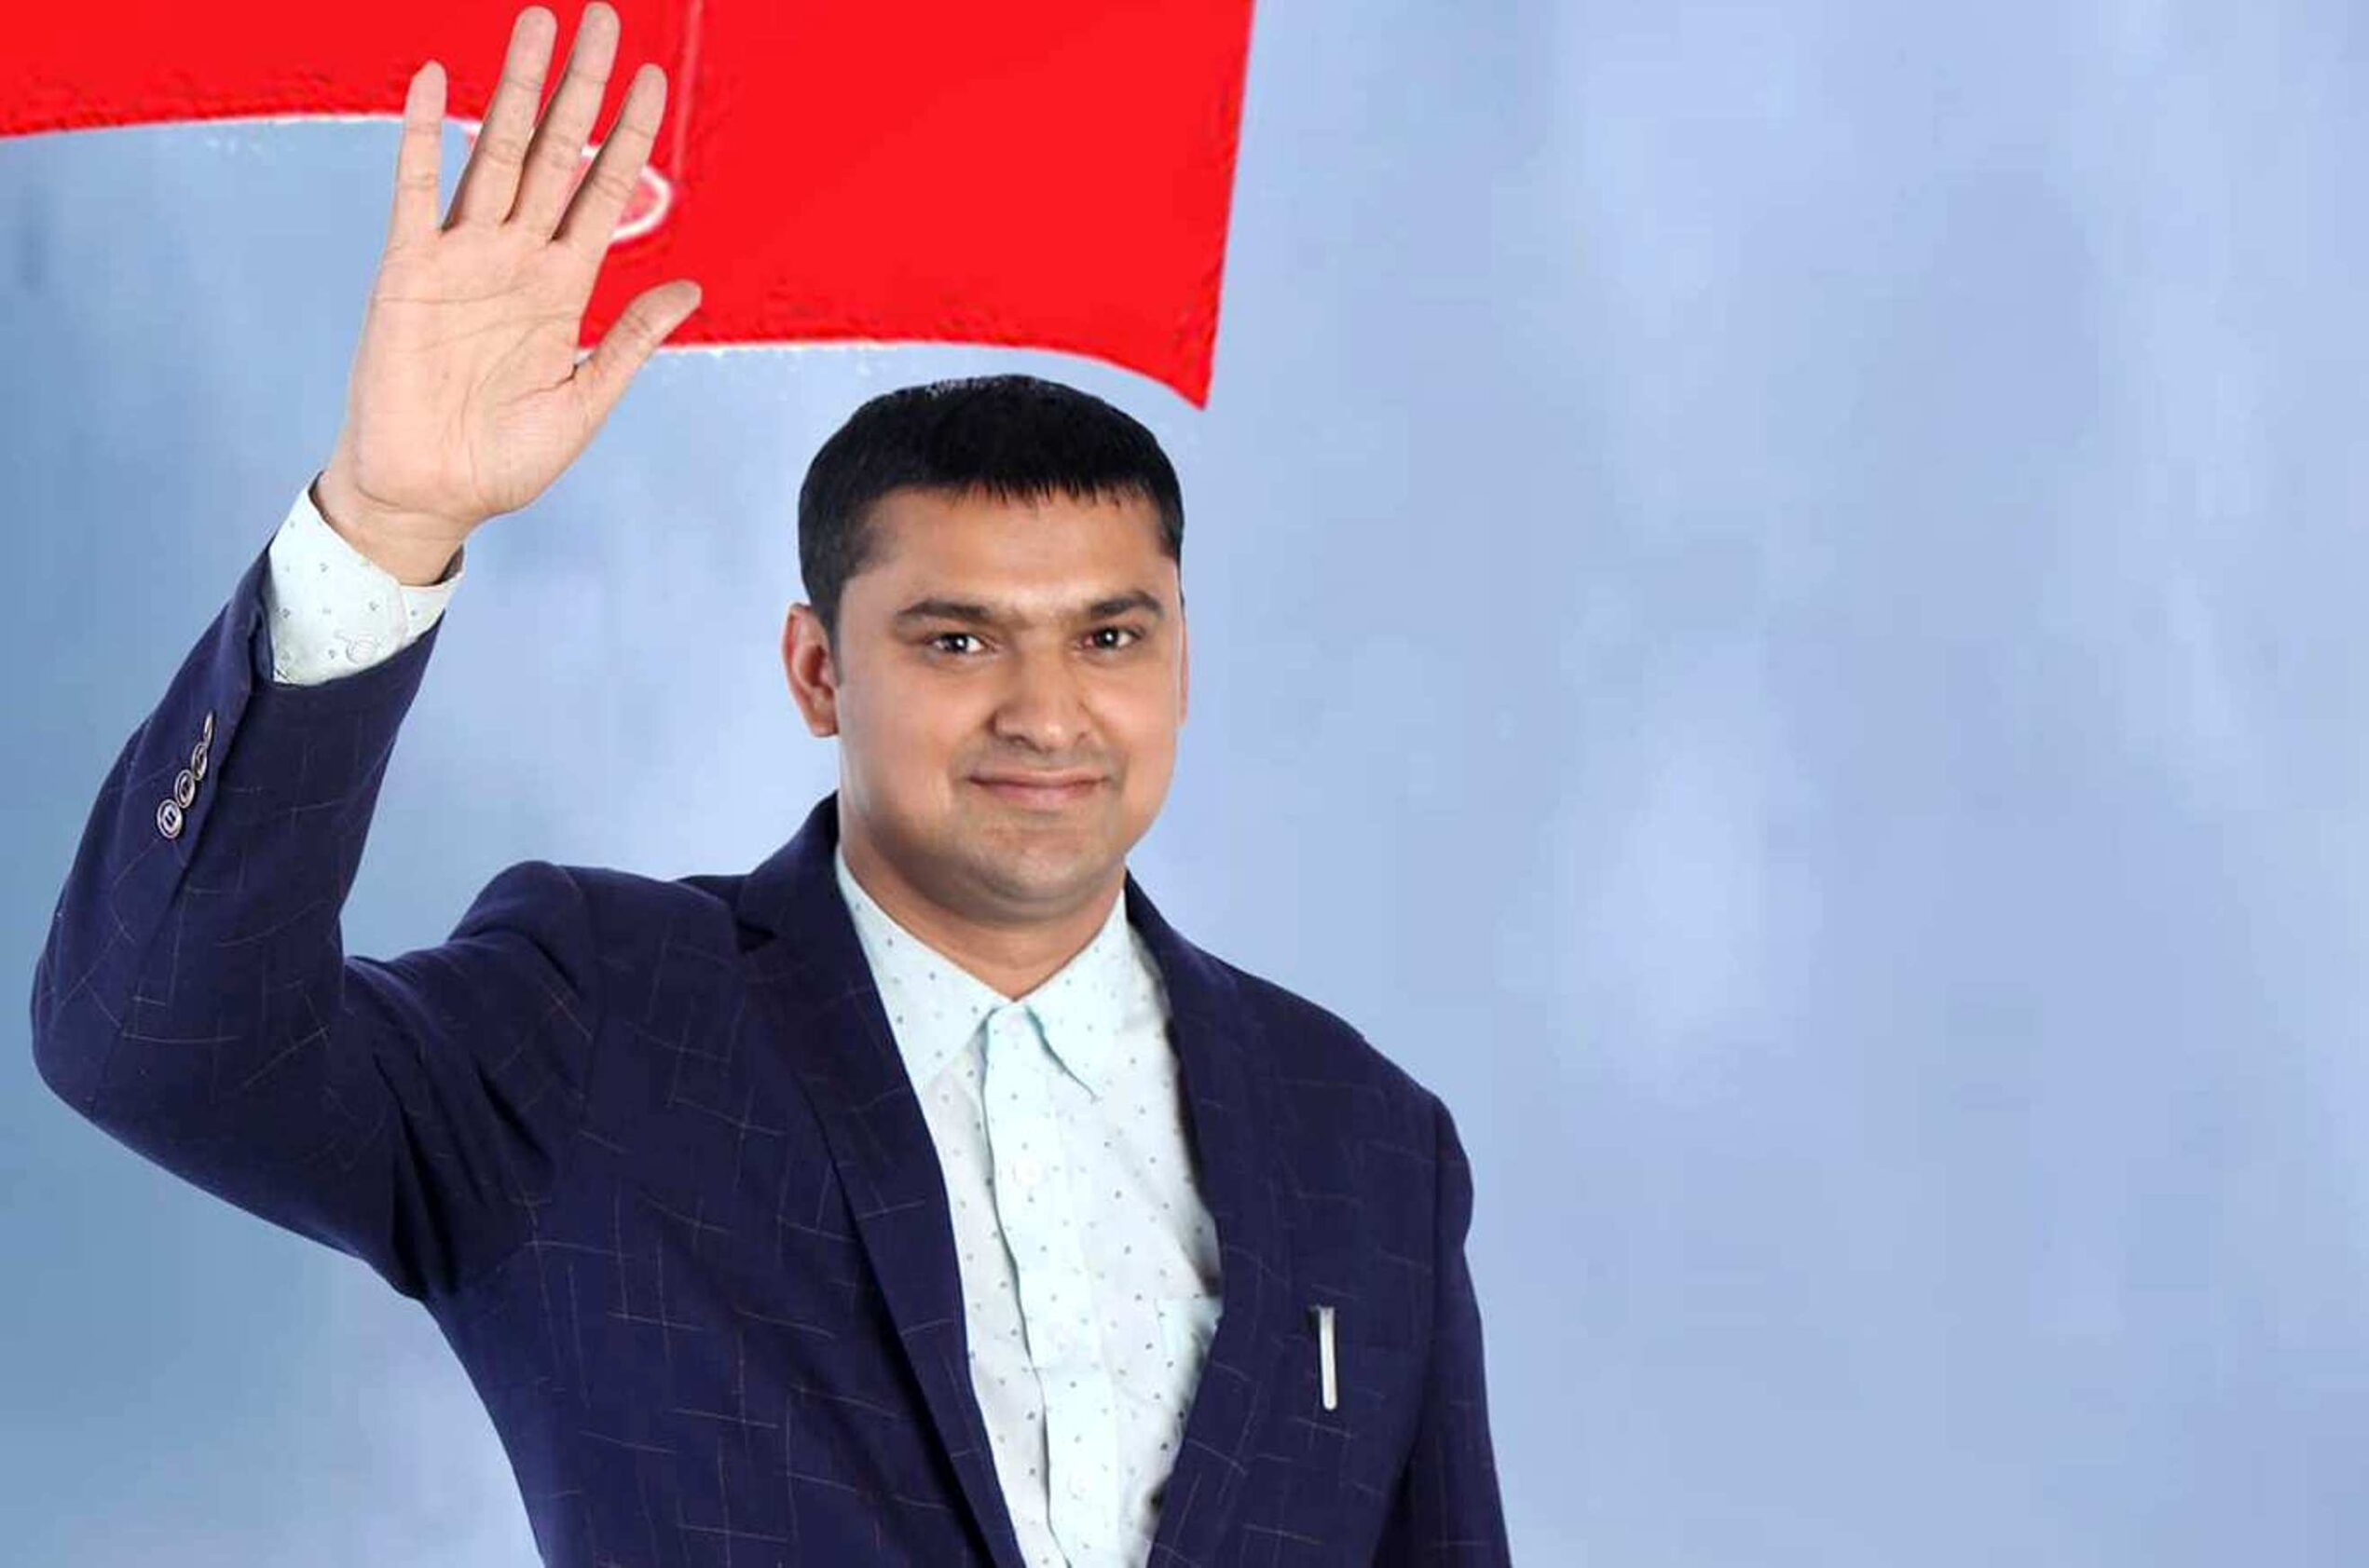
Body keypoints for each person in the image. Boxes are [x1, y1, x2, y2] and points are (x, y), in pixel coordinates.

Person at [26, 5, 1511, 1564]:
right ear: (817, 671)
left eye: (1109, 636)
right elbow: (159, 1042)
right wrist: (386, 520)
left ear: (1183, 660)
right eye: (957, 639)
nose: (1046, 711)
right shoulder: (601, 1021)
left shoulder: (1369, 1144)